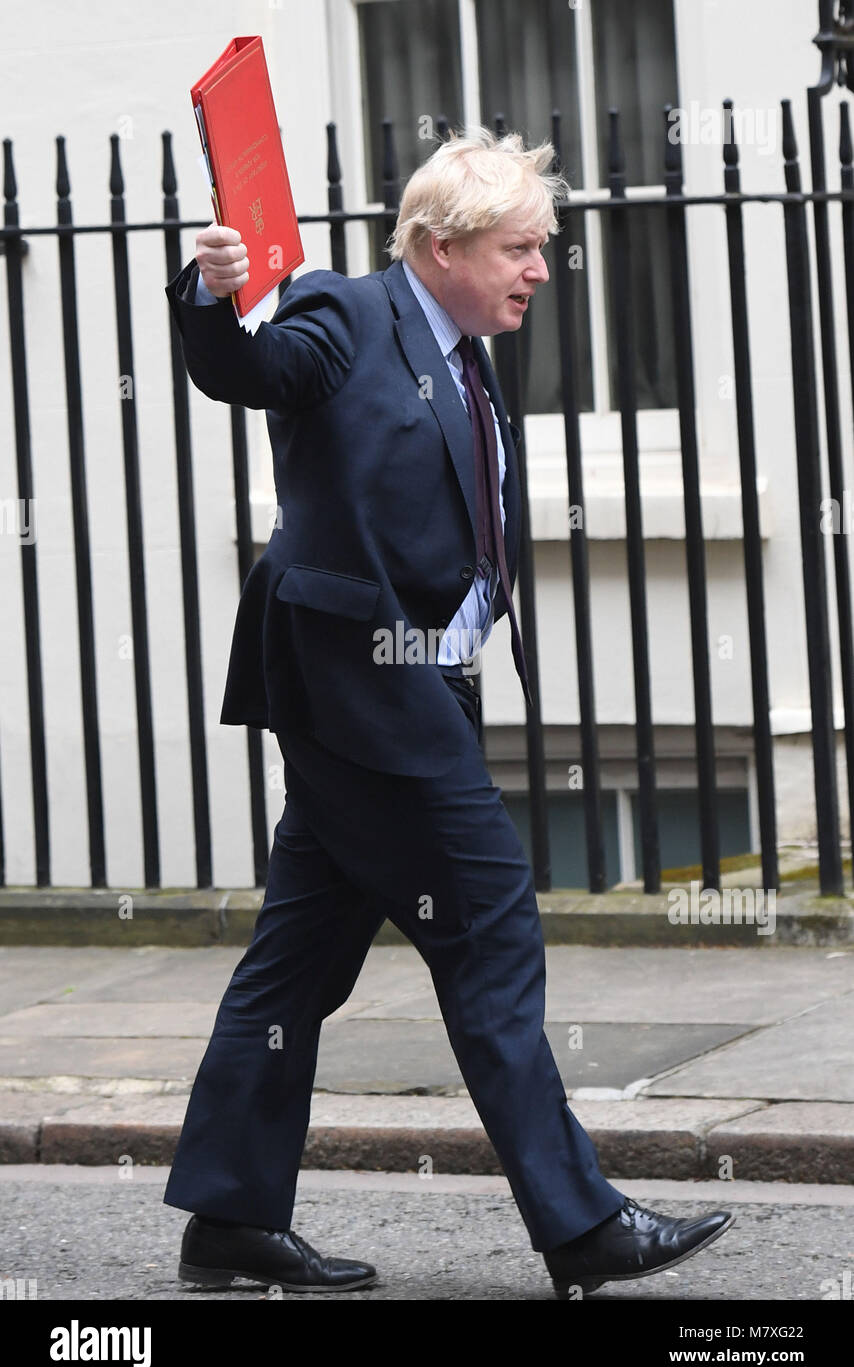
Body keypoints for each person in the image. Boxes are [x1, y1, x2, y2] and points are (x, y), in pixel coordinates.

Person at [162, 127, 733, 1299]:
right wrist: (212, 298)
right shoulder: (343, 313)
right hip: (357, 681)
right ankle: (580, 1226)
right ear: (438, 245)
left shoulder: (463, 349)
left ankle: (226, 1213)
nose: (538, 269)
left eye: (541, 249)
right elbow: (248, 372)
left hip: (414, 681)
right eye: (520, 248)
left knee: (296, 958)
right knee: (487, 921)